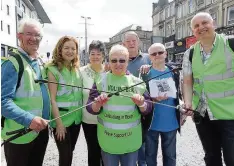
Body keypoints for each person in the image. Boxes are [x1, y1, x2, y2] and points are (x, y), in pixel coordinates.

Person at [86, 44, 153, 166]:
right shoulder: (101, 81)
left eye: (122, 60)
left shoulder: (137, 82)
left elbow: (148, 108)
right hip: (108, 140)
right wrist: (97, 104)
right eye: (114, 60)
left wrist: (142, 104)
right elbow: (90, 107)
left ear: (127, 62)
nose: (118, 64)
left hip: (130, 140)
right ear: (109, 62)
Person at [182, 12, 234, 166]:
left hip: (230, 115)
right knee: (211, 158)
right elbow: (187, 81)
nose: (201, 27)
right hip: (203, 114)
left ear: (214, 24)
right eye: (196, 26)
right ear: (193, 31)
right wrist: (188, 103)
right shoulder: (189, 53)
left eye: (205, 23)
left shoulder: (230, 44)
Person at [1, 18, 50, 166]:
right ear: (19, 36)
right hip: (19, 136)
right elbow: (3, 102)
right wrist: (29, 120)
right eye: (29, 34)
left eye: (37, 36)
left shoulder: (39, 62)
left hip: (40, 133)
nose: (34, 39)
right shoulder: (12, 63)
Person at [142, 43, 181, 166]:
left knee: (170, 157)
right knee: (150, 156)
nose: (157, 55)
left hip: (170, 122)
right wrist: (152, 100)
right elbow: (141, 97)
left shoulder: (174, 72)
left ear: (165, 54)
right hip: (151, 123)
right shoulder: (145, 74)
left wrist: (183, 110)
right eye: (153, 54)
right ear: (150, 57)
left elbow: (179, 93)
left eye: (160, 52)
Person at [46, 36, 83, 166]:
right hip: (62, 121)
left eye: (73, 48)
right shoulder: (52, 69)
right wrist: (59, 124)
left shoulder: (76, 70)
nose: (70, 51)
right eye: (66, 48)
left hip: (76, 120)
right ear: (59, 49)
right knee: (65, 156)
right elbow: (52, 99)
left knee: (70, 152)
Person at [122, 31, 151, 166]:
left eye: (134, 40)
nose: (131, 43)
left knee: (143, 144)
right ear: (123, 44)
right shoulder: (120, 60)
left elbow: (161, 69)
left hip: (143, 108)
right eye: (128, 41)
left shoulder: (148, 58)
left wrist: (151, 66)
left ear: (138, 42)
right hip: (124, 109)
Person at [80, 40, 106, 166]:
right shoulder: (81, 72)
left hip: (107, 119)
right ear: (88, 55)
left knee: (107, 152)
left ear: (103, 56)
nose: (95, 57)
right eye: (92, 53)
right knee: (93, 151)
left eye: (98, 54)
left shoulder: (109, 70)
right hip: (89, 119)